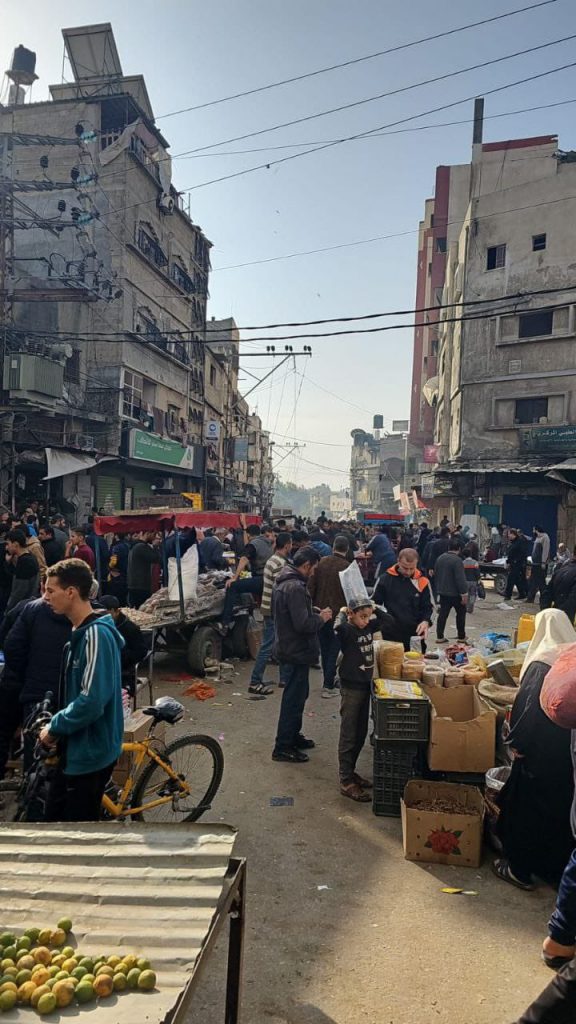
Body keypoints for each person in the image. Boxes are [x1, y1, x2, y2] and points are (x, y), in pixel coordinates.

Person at [492, 609, 575, 891]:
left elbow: (527, 712)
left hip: (540, 753)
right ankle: (553, 870)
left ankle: (519, 869)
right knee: (561, 811)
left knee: (526, 811)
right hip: (568, 755)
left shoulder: (542, 663)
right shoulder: (571, 657)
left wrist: (517, 746)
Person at [40, 559, 124, 822]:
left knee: (74, 834)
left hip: (91, 753)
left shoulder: (95, 635)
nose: (45, 597)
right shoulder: (80, 630)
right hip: (77, 748)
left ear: (71, 592)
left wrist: (54, 728)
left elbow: (91, 700)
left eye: (50, 591)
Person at [0, 594, 72, 779]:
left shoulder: (28, 608)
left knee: (31, 748)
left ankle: (32, 790)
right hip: (56, 692)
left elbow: (9, 645)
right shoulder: (82, 616)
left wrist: (25, 672)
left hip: (27, 687)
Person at [272, 547, 332, 763]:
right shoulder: (295, 587)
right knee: (293, 700)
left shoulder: (286, 581)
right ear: (306, 565)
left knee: (299, 696)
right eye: (313, 568)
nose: (314, 573)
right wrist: (322, 618)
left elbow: (294, 614)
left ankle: (292, 736)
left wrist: (311, 609)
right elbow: (303, 624)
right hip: (295, 650)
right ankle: (283, 747)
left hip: (291, 648)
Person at [335, 598, 391, 802]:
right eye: (362, 616)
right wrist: (344, 613)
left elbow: (389, 621)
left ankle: (352, 772)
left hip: (365, 685)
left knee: (360, 732)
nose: (367, 621)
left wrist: (375, 608)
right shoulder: (348, 631)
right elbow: (338, 628)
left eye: (368, 616)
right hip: (351, 687)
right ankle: (346, 780)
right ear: (352, 614)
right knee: (349, 733)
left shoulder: (368, 626)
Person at [248, 532, 292, 696]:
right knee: (268, 646)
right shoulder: (279, 564)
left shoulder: (273, 560)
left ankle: (284, 678)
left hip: (269, 607)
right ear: (287, 545)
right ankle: (255, 681)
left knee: (278, 644)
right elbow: (282, 590)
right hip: (274, 610)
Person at [308, 535, 349, 698]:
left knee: (325, 648)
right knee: (334, 648)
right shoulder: (347, 567)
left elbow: (311, 586)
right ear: (347, 549)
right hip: (339, 615)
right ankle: (328, 683)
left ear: (333, 547)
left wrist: (311, 608)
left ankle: (328, 680)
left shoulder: (321, 563)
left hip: (320, 612)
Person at [373, 548, 433, 650]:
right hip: (390, 634)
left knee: (416, 664)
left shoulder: (422, 581)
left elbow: (429, 606)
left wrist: (426, 621)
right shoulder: (384, 579)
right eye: (405, 568)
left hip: (415, 635)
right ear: (398, 561)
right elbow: (375, 605)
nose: (408, 572)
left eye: (412, 568)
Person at [220, 524, 273, 629]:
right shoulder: (267, 542)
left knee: (233, 586)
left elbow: (244, 559)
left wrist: (235, 577)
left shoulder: (254, 544)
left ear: (248, 535)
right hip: (269, 579)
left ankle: (225, 622)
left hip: (261, 578)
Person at [99, 595, 149, 692]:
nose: (104, 618)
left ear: (116, 611)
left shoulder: (130, 628)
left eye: (107, 614)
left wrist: (121, 658)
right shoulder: (99, 626)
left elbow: (141, 651)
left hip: (124, 672)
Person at [433, 540, 469, 643]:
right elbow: (460, 578)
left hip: (443, 592)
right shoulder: (457, 560)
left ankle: (440, 636)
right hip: (455, 593)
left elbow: (436, 574)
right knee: (461, 614)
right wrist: (464, 593)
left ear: (448, 548)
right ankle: (461, 636)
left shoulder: (440, 558)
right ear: (459, 549)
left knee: (443, 614)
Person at [5, 528, 40, 612]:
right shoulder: (29, 557)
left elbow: (19, 590)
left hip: (22, 608)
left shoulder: (25, 562)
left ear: (16, 544)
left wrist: (9, 609)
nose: (6, 547)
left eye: (8, 544)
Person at [541, 547, 576, 624]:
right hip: (566, 619)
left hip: (555, 615)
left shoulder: (560, 571)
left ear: (573, 555)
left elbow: (546, 593)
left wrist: (546, 613)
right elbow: (572, 601)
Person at [127, 531, 160, 608]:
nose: (154, 537)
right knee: (143, 609)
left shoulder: (134, 546)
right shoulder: (141, 547)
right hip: (141, 585)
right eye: (154, 534)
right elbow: (156, 558)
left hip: (134, 584)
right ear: (147, 533)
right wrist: (155, 546)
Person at [526, 525, 551, 604]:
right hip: (535, 564)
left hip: (540, 564)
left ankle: (544, 600)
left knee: (541, 583)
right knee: (532, 582)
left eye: (533, 530)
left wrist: (543, 562)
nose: (532, 531)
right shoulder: (537, 538)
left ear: (536, 530)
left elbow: (545, 551)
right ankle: (530, 598)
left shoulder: (545, 537)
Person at [505, 527, 528, 601]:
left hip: (518, 564)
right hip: (513, 563)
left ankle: (507, 596)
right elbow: (510, 553)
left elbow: (522, 553)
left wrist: (515, 561)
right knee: (517, 580)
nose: (508, 536)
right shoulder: (513, 542)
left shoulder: (520, 542)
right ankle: (522, 594)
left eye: (509, 534)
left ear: (513, 534)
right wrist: (508, 562)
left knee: (510, 580)